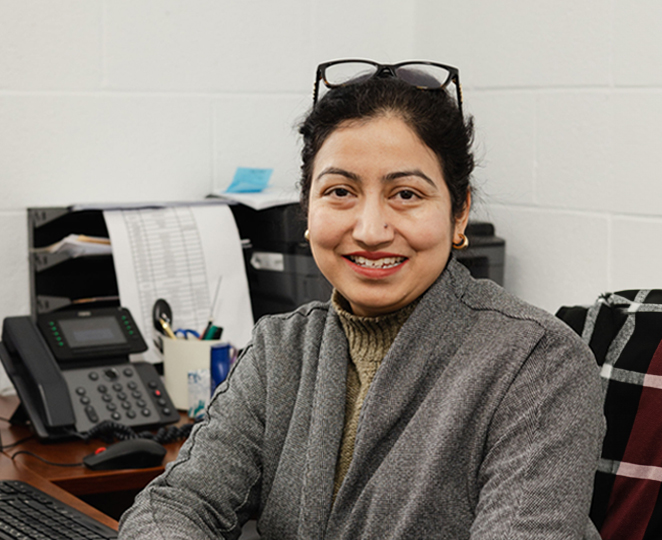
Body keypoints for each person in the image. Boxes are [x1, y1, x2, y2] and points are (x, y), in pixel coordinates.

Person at [119, 60, 605, 539]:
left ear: (459, 214)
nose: (371, 230)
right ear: (308, 209)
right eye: (340, 191)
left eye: (407, 195)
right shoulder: (280, 350)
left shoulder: (538, 364)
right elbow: (176, 505)